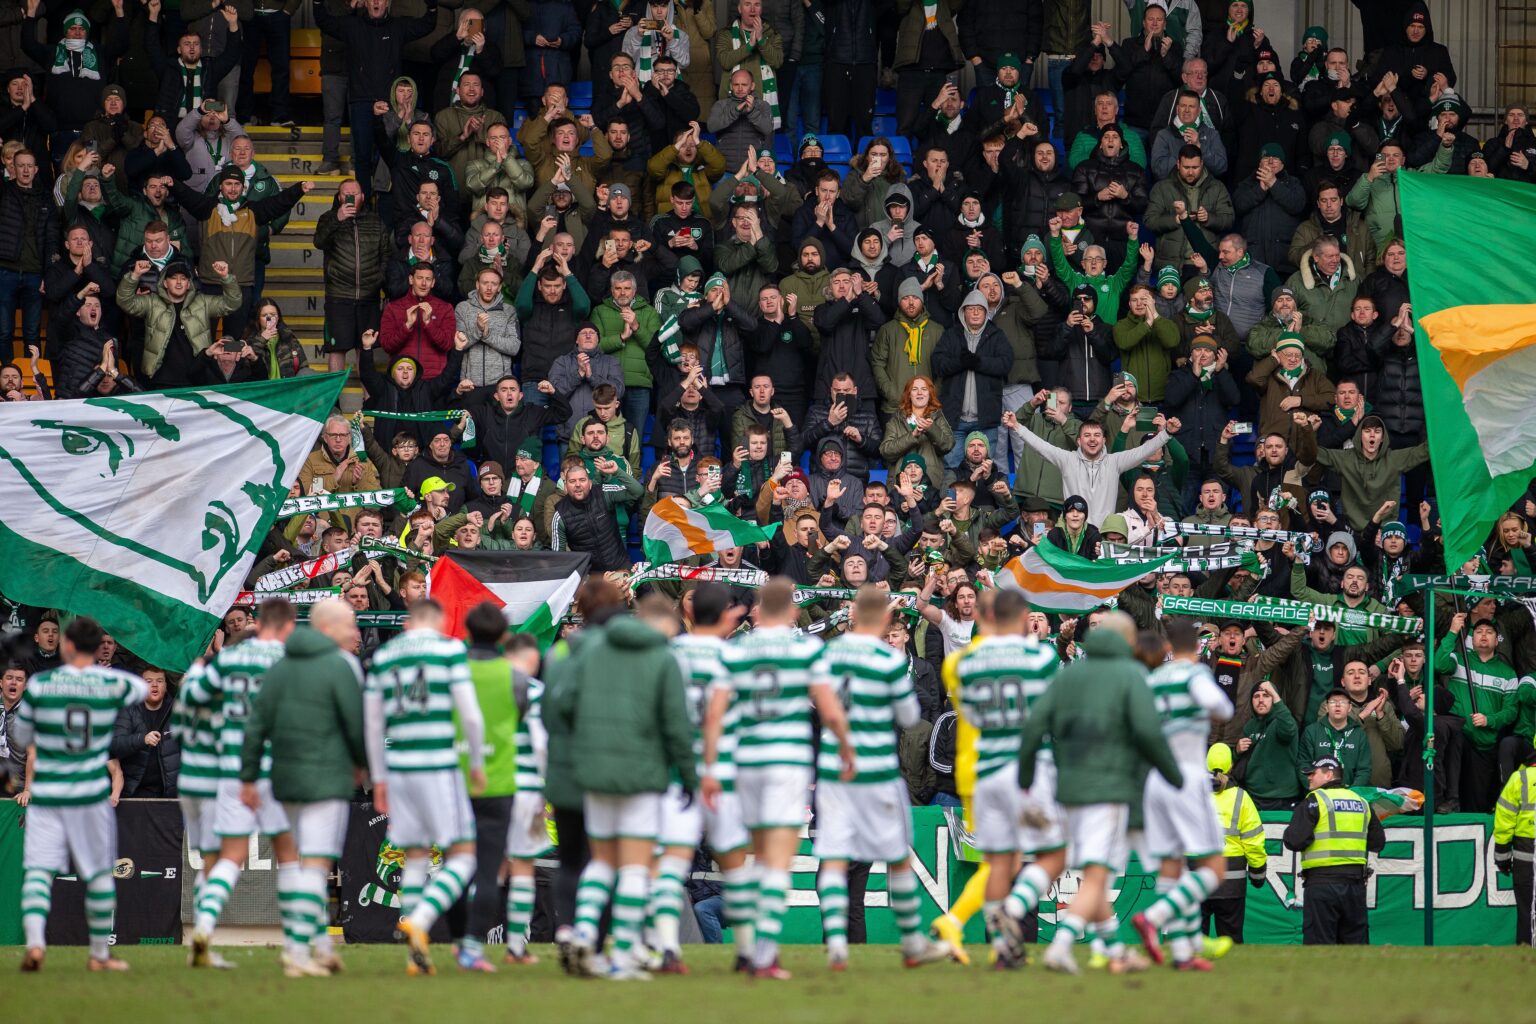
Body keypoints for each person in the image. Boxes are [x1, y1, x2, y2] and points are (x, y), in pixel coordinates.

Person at [1018, 610, 1183, 974]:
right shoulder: (1131, 674)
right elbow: (1149, 732)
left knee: (1073, 862)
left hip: (1066, 786)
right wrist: (1174, 775)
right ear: (1128, 641)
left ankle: (1112, 948)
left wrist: (1026, 775)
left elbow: (1034, 724)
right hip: (1109, 786)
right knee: (1097, 873)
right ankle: (1059, 943)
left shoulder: (1070, 674)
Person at [705, 577, 847, 979]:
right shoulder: (806, 648)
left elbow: (715, 714)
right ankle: (763, 954)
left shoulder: (736, 650)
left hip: (746, 760)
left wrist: (712, 767)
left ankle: (748, 946)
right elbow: (830, 711)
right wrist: (847, 750)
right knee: (776, 860)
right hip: (787, 761)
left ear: (756, 610)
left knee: (752, 856)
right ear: (793, 610)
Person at [552, 595, 696, 980]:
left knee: (601, 861)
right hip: (641, 773)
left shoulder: (590, 650)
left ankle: (584, 933)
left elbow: (563, 703)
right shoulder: (663, 658)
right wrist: (690, 777)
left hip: (593, 770)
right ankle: (622, 956)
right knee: (634, 865)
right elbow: (677, 725)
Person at [811, 587, 948, 969]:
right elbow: (909, 716)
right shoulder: (888, 661)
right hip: (878, 771)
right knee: (897, 857)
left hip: (835, 771)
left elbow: (818, 703)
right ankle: (913, 943)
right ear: (885, 621)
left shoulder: (828, 654)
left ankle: (836, 945)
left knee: (834, 857)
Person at [239, 597, 367, 976]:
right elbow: (357, 724)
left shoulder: (280, 666)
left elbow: (256, 726)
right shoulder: (341, 665)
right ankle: (296, 953)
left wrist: (248, 776)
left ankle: (322, 947)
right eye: (349, 624)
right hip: (327, 776)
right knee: (315, 864)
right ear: (326, 628)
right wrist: (363, 766)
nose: (355, 631)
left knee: (296, 863)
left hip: (284, 778)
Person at [14, 615, 148, 973]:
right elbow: (139, 688)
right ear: (96, 647)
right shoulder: (109, 683)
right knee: (100, 874)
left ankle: (36, 945)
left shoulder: (41, 685)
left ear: (67, 645)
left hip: (48, 793)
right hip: (89, 794)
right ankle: (99, 955)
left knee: (39, 872)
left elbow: (22, 736)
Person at [364, 599, 485, 976]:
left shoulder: (384, 657)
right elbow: (471, 715)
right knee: (463, 856)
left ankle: (413, 941)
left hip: (399, 769)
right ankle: (422, 919)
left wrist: (379, 778)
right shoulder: (449, 650)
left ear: (407, 624)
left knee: (414, 856)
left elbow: (372, 724)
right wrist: (476, 762)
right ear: (440, 622)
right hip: (438, 766)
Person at [177, 597, 300, 969]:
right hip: (275, 771)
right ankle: (298, 945)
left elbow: (192, 695)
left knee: (229, 857)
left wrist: (200, 665)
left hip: (232, 772)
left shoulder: (228, 658)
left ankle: (204, 929)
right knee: (289, 856)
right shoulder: (289, 661)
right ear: (288, 625)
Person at [946, 588, 1066, 970]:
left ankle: (1002, 947)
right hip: (1029, 771)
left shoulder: (968, 662)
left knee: (998, 863)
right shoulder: (1041, 657)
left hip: (987, 771)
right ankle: (1013, 911)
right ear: (1024, 615)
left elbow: (969, 715)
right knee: (1053, 854)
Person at [1126, 621, 1235, 971]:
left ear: (1169, 646)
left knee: (1171, 866)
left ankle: (1183, 953)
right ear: (1198, 646)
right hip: (1186, 775)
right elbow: (1223, 709)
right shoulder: (1194, 674)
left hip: (1155, 779)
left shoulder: (1154, 678)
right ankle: (1154, 917)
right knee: (1214, 867)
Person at [654, 584, 750, 972]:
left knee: (672, 862)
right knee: (734, 864)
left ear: (689, 614)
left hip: (676, 775)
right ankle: (747, 952)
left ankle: (668, 949)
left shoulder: (669, 655)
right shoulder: (732, 658)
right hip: (721, 774)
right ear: (727, 614)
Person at [1282, 755, 1385, 945]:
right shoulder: (1361, 802)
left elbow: (1294, 840)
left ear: (1329, 775)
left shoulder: (1315, 800)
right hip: (1355, 886)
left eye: (1313, 773)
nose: (1308, 777)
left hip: (1321, 885)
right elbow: (1378, 843)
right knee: (1356, 949)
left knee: (1319, 948)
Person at [1203, 741, 1267, 943]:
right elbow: (1254, 842)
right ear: (1231, 765)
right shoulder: (1241, 797)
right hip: (1230, 882)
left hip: (1197, 878)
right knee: (1231, 943)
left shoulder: (1191, 795)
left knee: (1193, 945)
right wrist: (1258, 874)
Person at [1493, 749, 1536, 946]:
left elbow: (1504, 819)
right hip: (1526, 855)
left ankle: (1526, 956)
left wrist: (1502, 856)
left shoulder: (1520, 778)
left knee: (1527, 911)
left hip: (1526, 856)